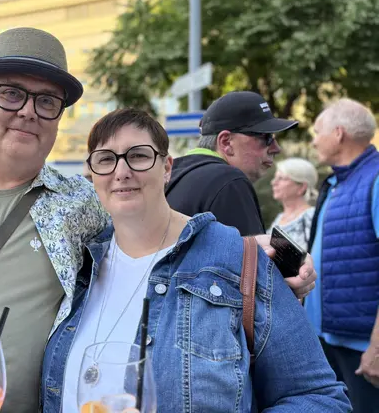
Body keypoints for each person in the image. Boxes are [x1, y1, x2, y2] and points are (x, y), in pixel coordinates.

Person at [0, 27, 315, 413]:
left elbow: (153, 238)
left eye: (47, 101)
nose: (28, 112)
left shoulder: (79, 201)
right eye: (11, 93)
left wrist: (249, 256)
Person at [42, 108, 350, 412]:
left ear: (167, 168)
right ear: (92, 173)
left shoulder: (237, 261)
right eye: (106, 159)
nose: (121, 171)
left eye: (138, 156)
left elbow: (319, 397)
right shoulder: (76, 263)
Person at [306, 98, 379, 411]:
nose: (313, 140)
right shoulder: (338, 182)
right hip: (330, 341)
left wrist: (377, 347)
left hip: (364, 350)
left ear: (338, 133)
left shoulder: (375, 180)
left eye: (317, 131)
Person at [166, 91, 298, 236]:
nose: (276, 148)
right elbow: (254, 250)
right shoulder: (229, 180)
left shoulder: (172, 174)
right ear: (226, 142)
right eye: (265, 137)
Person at [268, 157, 319, 251]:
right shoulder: (279, 218)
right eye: (275, 178)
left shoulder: (311, 216)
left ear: (302, 187)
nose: (273, 182)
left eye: (281, 178)